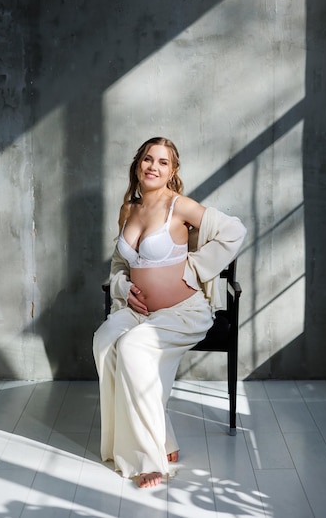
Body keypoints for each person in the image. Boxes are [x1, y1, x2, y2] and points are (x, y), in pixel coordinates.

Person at [93, 136, 246, 488]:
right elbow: (119, 266)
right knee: (105, 340)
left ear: (172, 171)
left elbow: (234, 232)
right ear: (137, 165)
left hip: (182, 312)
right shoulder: (129, 211)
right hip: (141, 311)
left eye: (162, 162)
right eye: (147, 159)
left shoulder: (179, 207)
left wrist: (194, 268)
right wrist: (123, 289)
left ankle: (150, 461)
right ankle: (141, 441)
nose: (153, 166)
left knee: (132, 347)